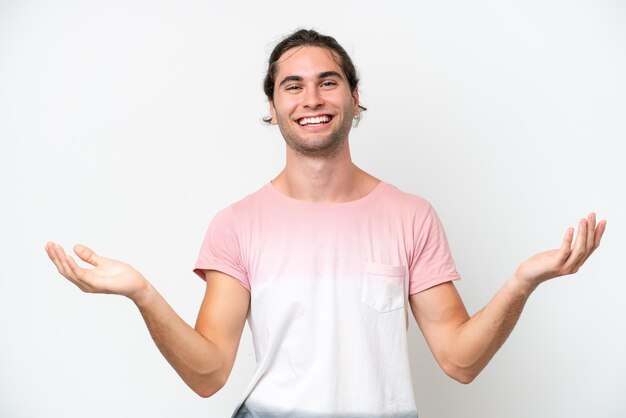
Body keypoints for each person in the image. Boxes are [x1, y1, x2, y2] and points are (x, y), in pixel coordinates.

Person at [45, 29, 606, 418]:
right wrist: (141, 292)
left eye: (328, 81)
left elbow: (459, 361)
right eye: (293, 84)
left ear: (355, 98)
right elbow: (209, 372)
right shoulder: (236, 225)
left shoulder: (411, 216)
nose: (311, 97)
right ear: (272, 105)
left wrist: (521, 283)